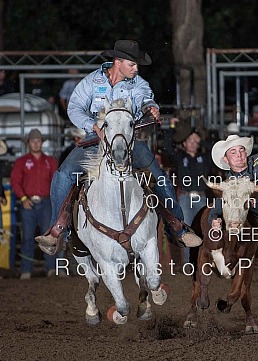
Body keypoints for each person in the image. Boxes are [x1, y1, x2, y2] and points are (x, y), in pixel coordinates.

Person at [35, 40, 202, 256]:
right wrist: (92, 125)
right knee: (63, 174)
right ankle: (57, 230)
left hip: (129, 142)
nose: (136, 68)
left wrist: (151, 107)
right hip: (95, 141)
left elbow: (146, 99)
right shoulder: (91, 82)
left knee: (159, 176)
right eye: (132, 64)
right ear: (118, 62)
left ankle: (177, 226)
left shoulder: (138, 84)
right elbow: (75, 107)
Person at [10, 129, 58, 279]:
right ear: (29, 143)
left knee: (49, 238)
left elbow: (55, 184)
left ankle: (51, 269)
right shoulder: (21, 162)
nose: (36, 143)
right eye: (33, 141)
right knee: (27, 237)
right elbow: (15, 182)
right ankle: (26, 270)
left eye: (38, 140)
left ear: (41, 143)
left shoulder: (51, 162)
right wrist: (23, 199)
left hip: (46, 203)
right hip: (28, 203)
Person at [164, 127, 214, 263]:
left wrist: (201, 140)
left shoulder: (203, 158)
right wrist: (172, 129)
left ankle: (202, 262)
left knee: (203, 229)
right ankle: (188, 263)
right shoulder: (180, 157)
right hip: (185, 198)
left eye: (195, 141)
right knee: (186, 231)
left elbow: (213, 150)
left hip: (201, 197)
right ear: (184, 143)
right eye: (189, 140)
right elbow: (167, 147)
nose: (193, 143)